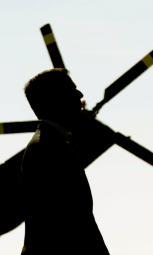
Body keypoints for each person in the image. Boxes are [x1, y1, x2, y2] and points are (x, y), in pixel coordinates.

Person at [20, 68, 110, 255]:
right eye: (71, 90)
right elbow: (72, 223)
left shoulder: (53, 144)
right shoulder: (48, 149)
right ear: (55, 99)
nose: (80, 94)